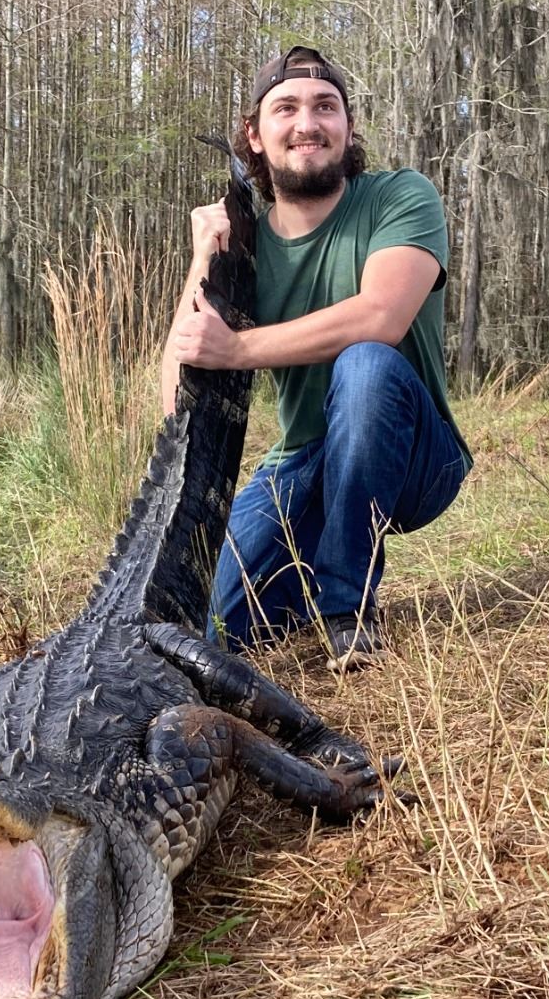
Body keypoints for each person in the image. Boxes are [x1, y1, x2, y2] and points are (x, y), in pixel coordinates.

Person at [160, 46, 472, 672]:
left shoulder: (400, 197)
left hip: (417, 457)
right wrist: (204, 259)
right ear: (254, 134)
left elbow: (380, 317)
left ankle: (346, 606)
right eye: (287, 108)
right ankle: (305, 576)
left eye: (326, 107)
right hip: (304, 462)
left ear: (348, 128)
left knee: (366, 364)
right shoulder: (247, 245)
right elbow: (176, 401)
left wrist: (238, 349)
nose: (308, 124)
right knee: (217, 622)